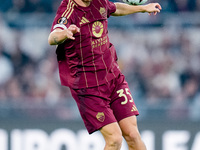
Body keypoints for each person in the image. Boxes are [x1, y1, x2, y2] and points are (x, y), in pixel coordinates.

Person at [48, 0, 161, 149]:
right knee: (114, 139)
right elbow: (52, 37)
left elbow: (115, 8)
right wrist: (64, 33)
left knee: (133, 135)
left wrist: (141, 8)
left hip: (113, 77)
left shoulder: (98, 1)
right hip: (88, 87)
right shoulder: (68, 10)